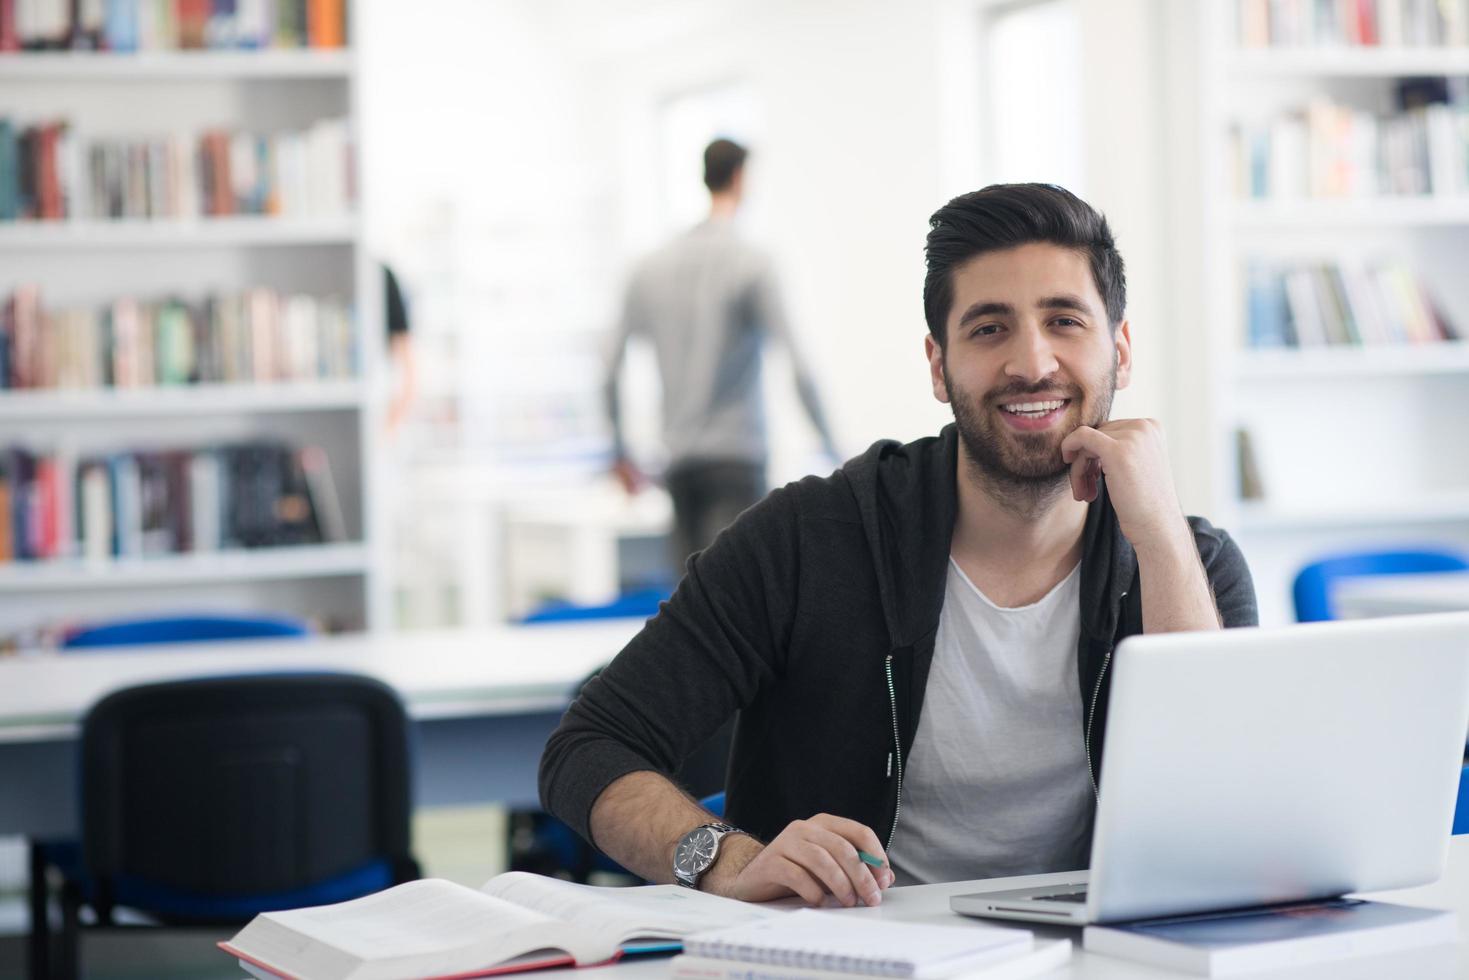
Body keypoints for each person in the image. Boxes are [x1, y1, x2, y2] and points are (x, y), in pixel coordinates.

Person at [542, 183, 1256, 909]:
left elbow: (1224, 808)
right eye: (987, 329)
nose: (1031, 363)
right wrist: (722, 860)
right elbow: (590, 747)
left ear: (1120, 350)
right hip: (846, 957)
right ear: (938, 365)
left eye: (1064, 320)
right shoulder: (807, 540)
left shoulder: (1188, 561)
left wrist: (1161, 539)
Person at [604, 138, 839, 567]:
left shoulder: (649, 267)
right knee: (741, 612)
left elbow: (609, 367)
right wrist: (835, 452)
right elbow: (799, 365)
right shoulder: (751, 262)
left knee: (691, 615)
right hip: (736, 462)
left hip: (676, 465)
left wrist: (619, 451)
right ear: (739, 178)